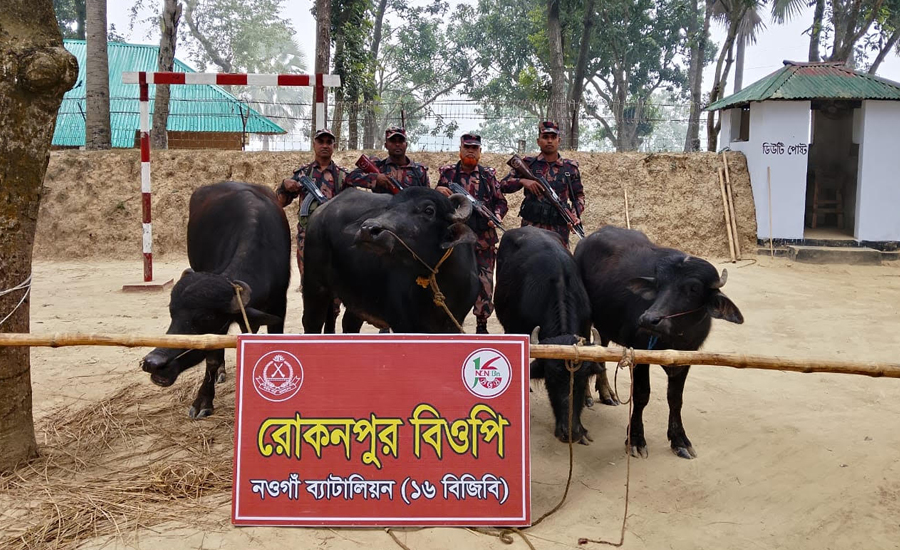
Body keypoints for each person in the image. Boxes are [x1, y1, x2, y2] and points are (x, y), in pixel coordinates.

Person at [435, 133, 507, 334]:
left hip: (483, 240)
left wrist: (497, 216)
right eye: (467, 147)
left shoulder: (488, 175)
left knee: (484, 282)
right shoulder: (449, 174)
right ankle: (451, 322)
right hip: (456, 240)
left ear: (480, 152)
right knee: (451, 280)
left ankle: (481, 324)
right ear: (460, 148)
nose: (470, 151)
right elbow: (437, 201)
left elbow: (501, 202)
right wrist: (439, 191)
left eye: (475, 148)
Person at [275, 128, 349, 280]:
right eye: (320, 142)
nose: (325, 145)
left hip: (334, 238)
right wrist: (284, 185)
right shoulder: (303, 174)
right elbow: (280, 202)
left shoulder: (342, 175)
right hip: (307, 238)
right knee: (310, 286)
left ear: (334, 146)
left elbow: (351, 205)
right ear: (314, 145)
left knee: (335, 286)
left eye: (329, 142)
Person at [499, 121, 584, 249]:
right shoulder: (528, 164)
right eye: (545, 137)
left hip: (558, 232)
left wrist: (574, 215)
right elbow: (502, 185)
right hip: (531, 231)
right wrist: (522, 181)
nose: (549, 141)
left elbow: (579, 197)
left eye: (553, 137)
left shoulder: (569, 168)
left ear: (559, 140)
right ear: (538, 141)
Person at [346, 126, 430, 192]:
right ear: (386, 145)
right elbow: (350, 178)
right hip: (383, 212)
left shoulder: (419, 171)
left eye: (401, 141)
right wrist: (376, 178)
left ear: (406, 145)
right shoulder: (378, 166)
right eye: (393, 141)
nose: (397, 144)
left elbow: (428, 197)